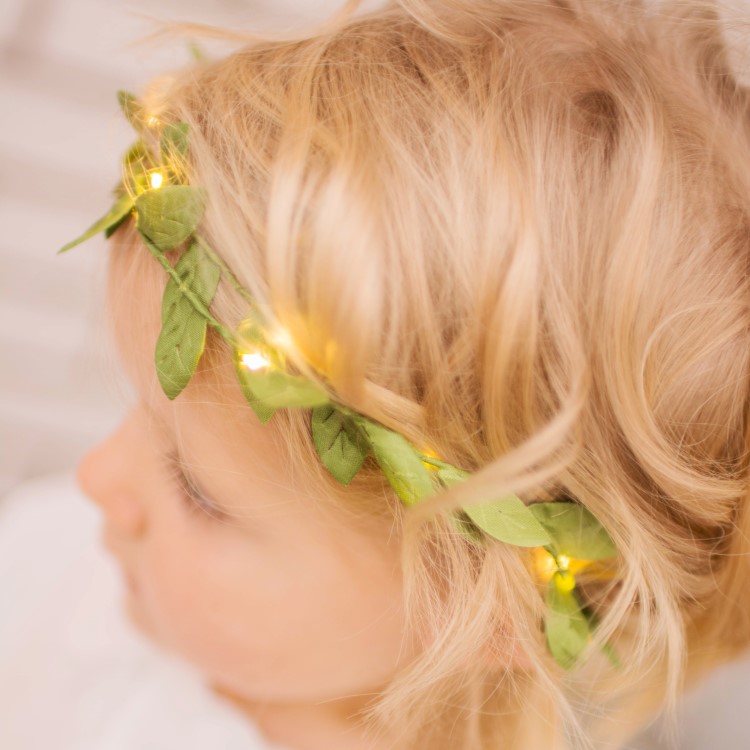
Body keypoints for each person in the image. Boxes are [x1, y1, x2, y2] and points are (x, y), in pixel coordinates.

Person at [67, 0, 750, 748]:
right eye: (138, 409)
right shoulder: (74, 581)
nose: (95, 475)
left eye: (197, 490)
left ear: (489, 618)